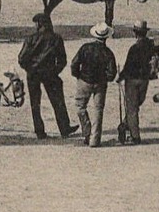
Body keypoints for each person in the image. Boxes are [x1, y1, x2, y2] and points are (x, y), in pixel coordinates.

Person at [18, 12, 75, 140]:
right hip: (50, 74)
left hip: (33, 75)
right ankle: (65, 129)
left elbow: (21, 59)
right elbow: (62, 60)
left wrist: (30, 69)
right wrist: (54, 71)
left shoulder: (30, 38)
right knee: (58, 101)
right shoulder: (56, 38)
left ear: (39, 24)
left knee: (35, 104)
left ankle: (40, 132)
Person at [70, 23, 118, 148]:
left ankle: (87, 132)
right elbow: (112, 73)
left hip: (84, 81)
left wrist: (78, 75)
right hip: (100, 84)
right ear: (106, 37)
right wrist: (105, 79)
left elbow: (74, 64)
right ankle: (95, 140)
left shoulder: (85, 48)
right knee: (98, 110)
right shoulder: (108, 52)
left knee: (80, 107)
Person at [117, 20, 157, 145]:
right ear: (145, 32)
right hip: (144, 80)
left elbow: (128, 66)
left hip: (132, 80)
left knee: (132, 108)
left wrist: (120, 77)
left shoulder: (134, 48)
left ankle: (134, 136)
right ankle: (125, 125)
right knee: (136, 105)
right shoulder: (151, 46)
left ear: (135, 33)